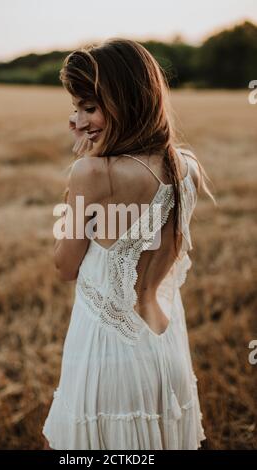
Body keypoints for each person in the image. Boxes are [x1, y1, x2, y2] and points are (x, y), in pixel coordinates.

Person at [42, 38, 216, 450]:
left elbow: (65, 267)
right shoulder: (185, 165)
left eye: (89, 107)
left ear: (127, 102)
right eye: (75, 107)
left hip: (106, 354)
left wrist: (75, 186)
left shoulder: (92, 173)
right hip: (163, 343)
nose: (76, 120)